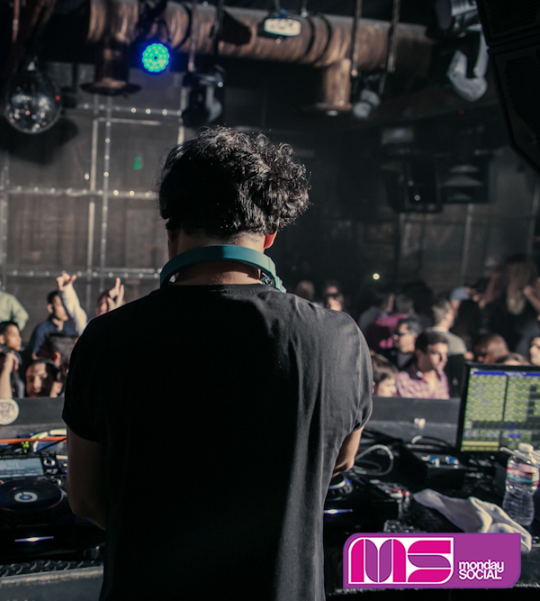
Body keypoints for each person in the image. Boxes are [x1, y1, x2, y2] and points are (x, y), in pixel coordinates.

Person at [64, 129, 371, 600]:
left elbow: (86, 498)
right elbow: (339, 462)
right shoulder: (339, 339)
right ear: (270, 236)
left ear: (172, 234)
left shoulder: (106, 338)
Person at [395, 331, 449, 399]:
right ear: (419, 353)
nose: (443, 359)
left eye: (445, 354)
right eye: (436, 353)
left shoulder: (442, 377)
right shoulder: (403, 379)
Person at [27, 291, 78, 358]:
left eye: (65, 304)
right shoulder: (42, 330)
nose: (65, 308)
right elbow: (34, 356)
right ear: (50, 308)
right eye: (61, 305)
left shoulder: (70, 328)